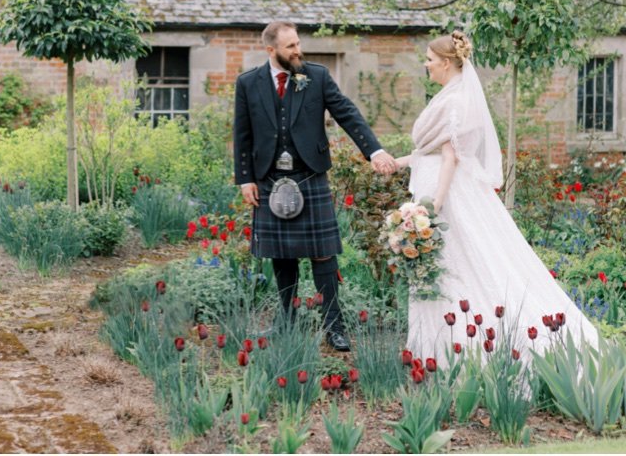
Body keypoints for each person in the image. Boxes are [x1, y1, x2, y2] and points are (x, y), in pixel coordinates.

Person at [394, 31, 598, 363]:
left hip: (447, 198)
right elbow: (429, 152)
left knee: (458, 269)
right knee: (446, 269)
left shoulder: (456, 102)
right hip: (442, 190)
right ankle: (437, 348)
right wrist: (397, 162)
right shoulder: (451, 95)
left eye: (430, 59)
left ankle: (459, 351)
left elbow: (451, 156)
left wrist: (434, 206)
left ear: (446, 63)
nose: (425, 64)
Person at [233, 21, 397, 350]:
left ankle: (334, 326)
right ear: (271, 50)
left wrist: (374, 151)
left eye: (297, 43)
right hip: (268, 179)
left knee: (324, 257)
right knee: (281, 258)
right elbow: (243, 133)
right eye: (290, 46)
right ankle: (286, 323)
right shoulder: (248, 83)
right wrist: (245, 178)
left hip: (309, 177)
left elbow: (347, 113)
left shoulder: (317, 76)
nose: (298, 50)